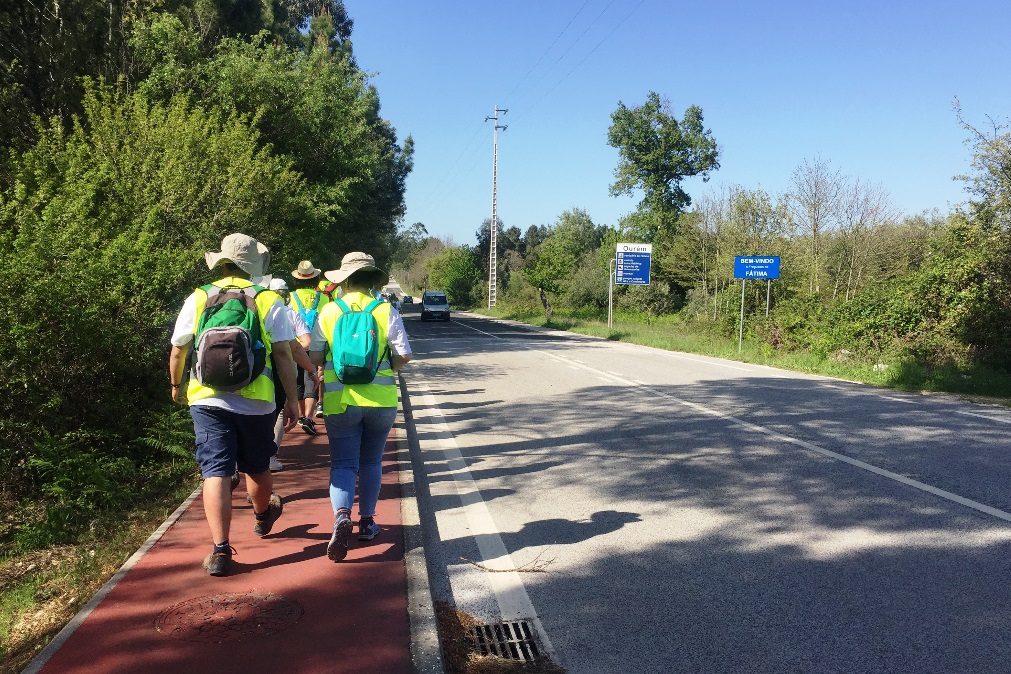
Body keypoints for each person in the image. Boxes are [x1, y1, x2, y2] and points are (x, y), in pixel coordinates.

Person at [168, 234, 299, 577]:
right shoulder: (268, 298)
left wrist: (176, 384)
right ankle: (261, 516)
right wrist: (293, 400)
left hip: (206, 397)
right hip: (256, 401)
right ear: (253, 267)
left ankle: (221, 550)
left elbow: (179, 349)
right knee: (256, 466)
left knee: (215, 471)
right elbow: (284, 354)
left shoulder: (198, 298)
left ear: (221, 263)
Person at [309, 252, 412, 562]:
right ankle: (367, 522)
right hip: (380, 401)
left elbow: (313, 356)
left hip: (340, 402)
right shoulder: (385, 310)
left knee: (342, 464)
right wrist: (386, 366)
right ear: (371, 281)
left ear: (345, 280)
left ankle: (342, 517)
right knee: (371, 462)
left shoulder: (329, 312)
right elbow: (404, 355)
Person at [266, 278, 317, 471]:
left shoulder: (258, 307)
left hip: (259, 371)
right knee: (279, 411)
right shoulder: (290, 313)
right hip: (285, 369)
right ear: (286, 294)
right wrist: (292, 355)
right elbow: (304, 342)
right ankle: (270, 456)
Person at [291, 260, 327, 434]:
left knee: (297, 380)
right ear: (315, 278)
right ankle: (309, 417)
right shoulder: (324, 298)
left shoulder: (290, 297)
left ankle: (299, 416)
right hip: (316, 346)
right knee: (311, 381)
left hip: (295, 345)